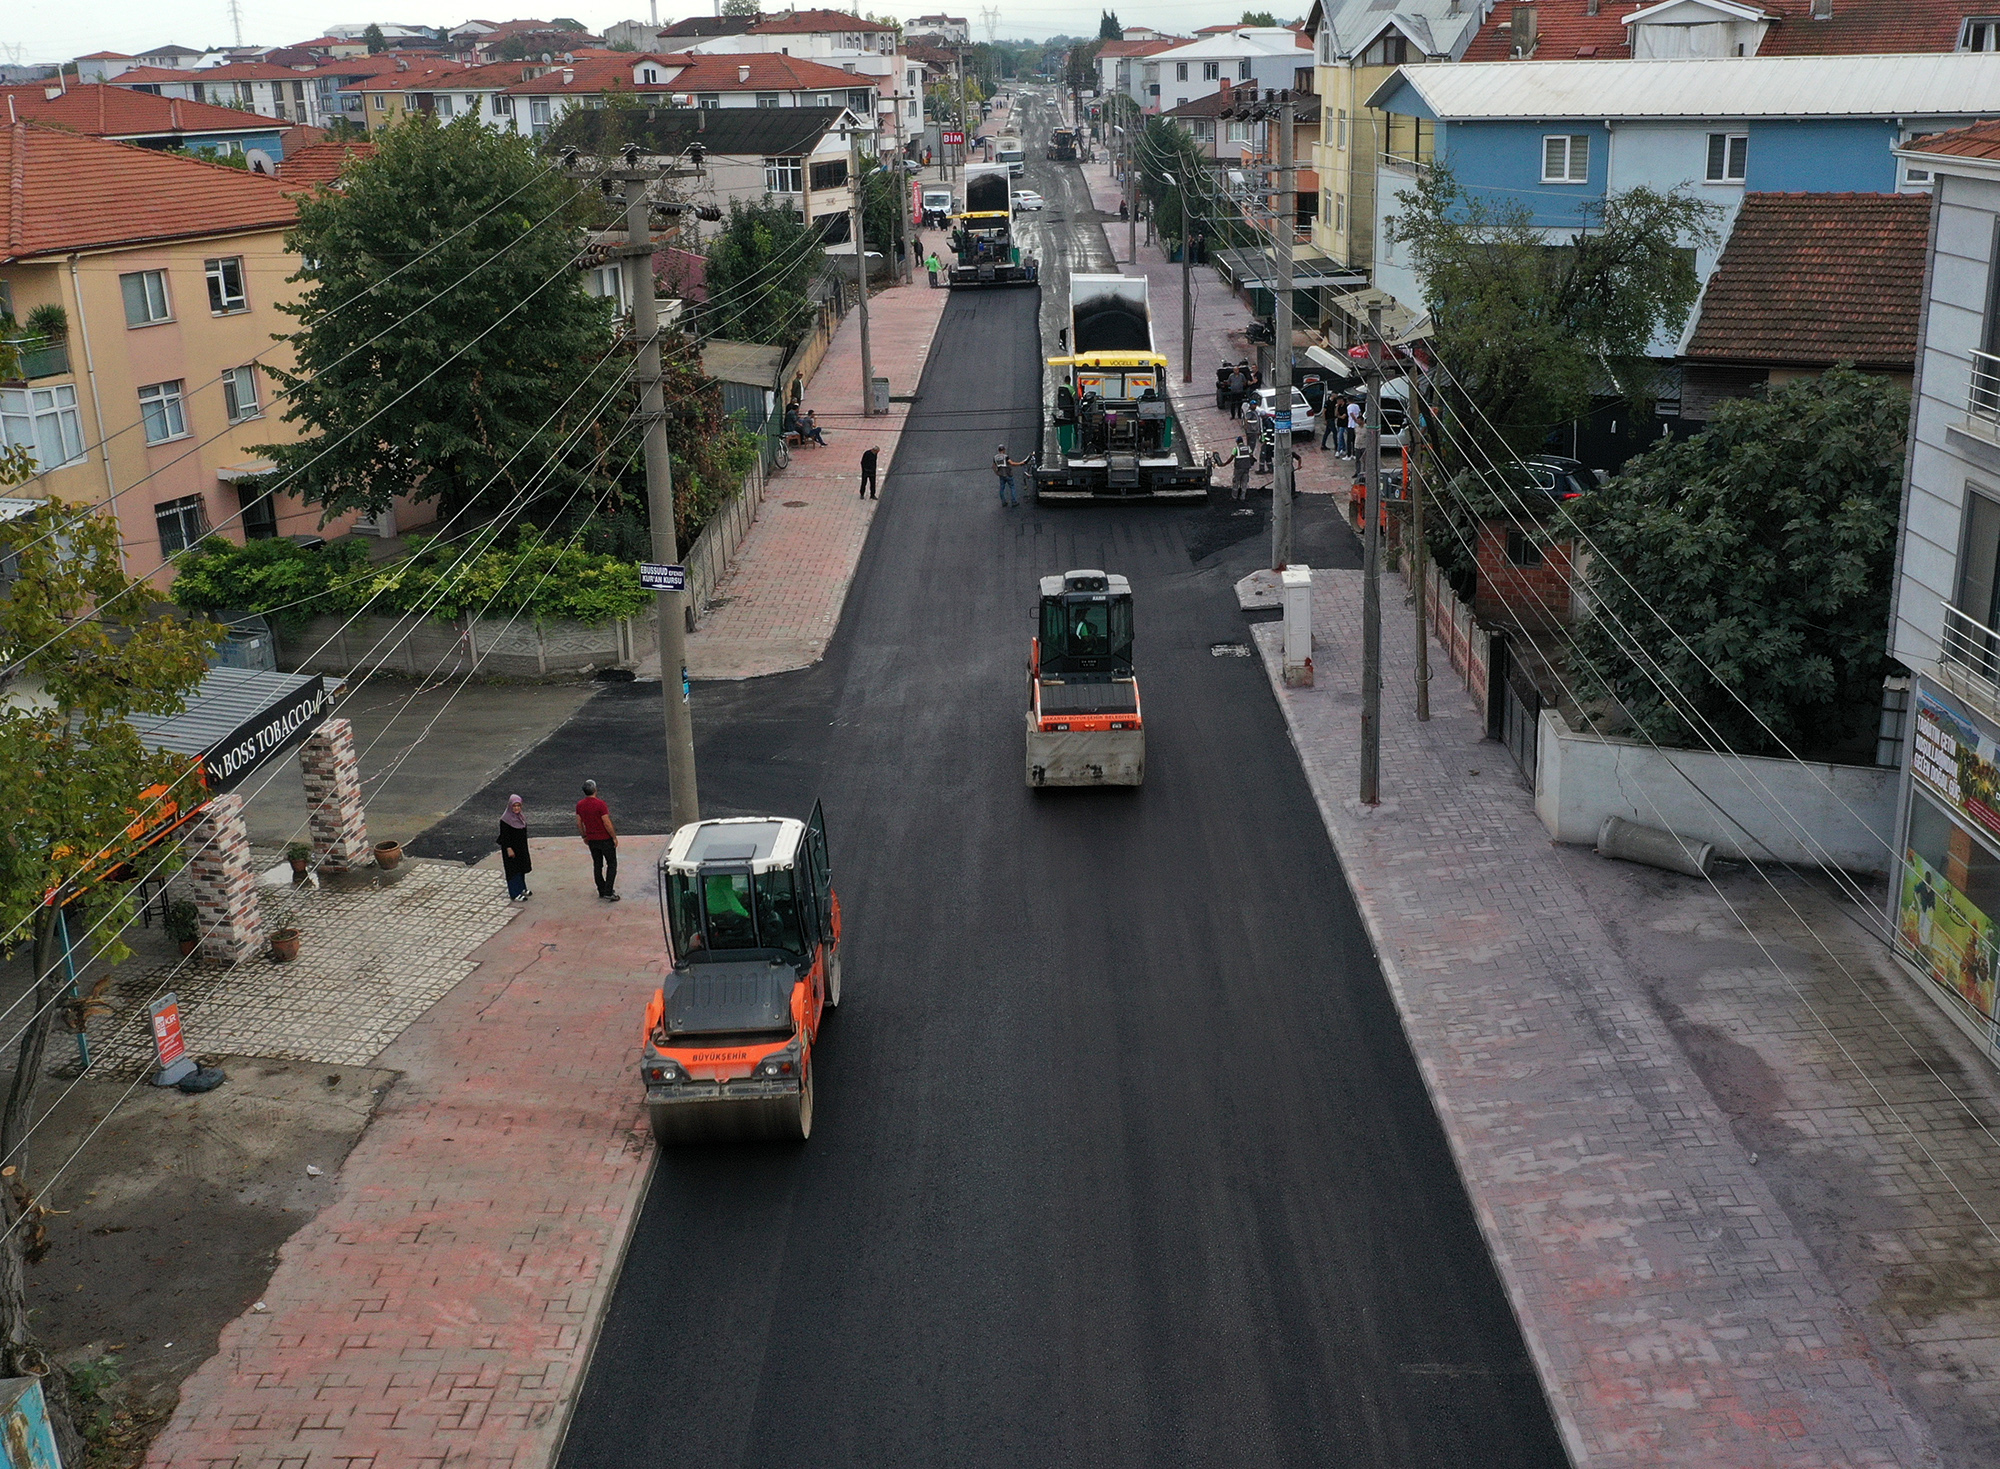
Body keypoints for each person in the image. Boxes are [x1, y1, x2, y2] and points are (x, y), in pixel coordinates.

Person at [575, 779, 619, 902]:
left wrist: (584, 836)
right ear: (595, 789)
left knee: (597, 865)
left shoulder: (580, 805)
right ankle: (609, 891)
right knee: (611, 864)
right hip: (604, 838)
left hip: (592, 839)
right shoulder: (600, 804)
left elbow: (579, 823)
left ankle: (601, 889)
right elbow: (607, 822)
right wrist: (614, 837)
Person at [498, 794, 532, 902]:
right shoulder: (505, 820)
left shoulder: (520, 817)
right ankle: (514, 893)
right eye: (514, 806)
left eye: (518, 806)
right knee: (513, 871)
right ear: (510, 806)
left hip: (521, 848)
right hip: (511, 850)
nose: (516, 808)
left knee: (521, 868)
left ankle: (522, 888)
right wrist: (509, 848)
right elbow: (504, 836)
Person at [993, 442, 1023, 508]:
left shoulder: (995, 457)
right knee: (1012, 487)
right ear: (1003, 450)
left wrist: (997, 473)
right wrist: (1020, 463)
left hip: (1001, 475)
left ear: (998, 450)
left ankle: (1003, 502)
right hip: (1008, 474)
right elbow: (1012, 463)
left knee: (1001, 489)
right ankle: (1014, 501)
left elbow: (993, 466)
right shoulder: (1005, 456)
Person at [1230, 436, 1254, 501]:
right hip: (1246, 468)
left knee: (1236, 482)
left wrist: (1224, 464)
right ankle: (1242, 497)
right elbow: (1251, 455)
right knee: (1244, 482)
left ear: (1237, 442)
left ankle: (1234, 497)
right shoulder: (1248, 448)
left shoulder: (1236, 449)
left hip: (1238, 468)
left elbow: (1231, 457)